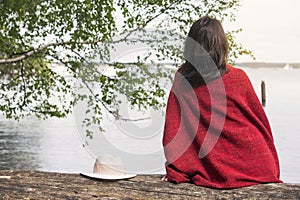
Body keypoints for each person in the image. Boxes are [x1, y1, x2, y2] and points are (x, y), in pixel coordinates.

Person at [162, 16, 282, 189]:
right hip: (258, 164)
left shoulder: (183, 78)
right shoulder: (238, 77)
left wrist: (177, 166)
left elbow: (173, 133)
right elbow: (262, 126)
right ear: (221, 46)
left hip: (216, 167)